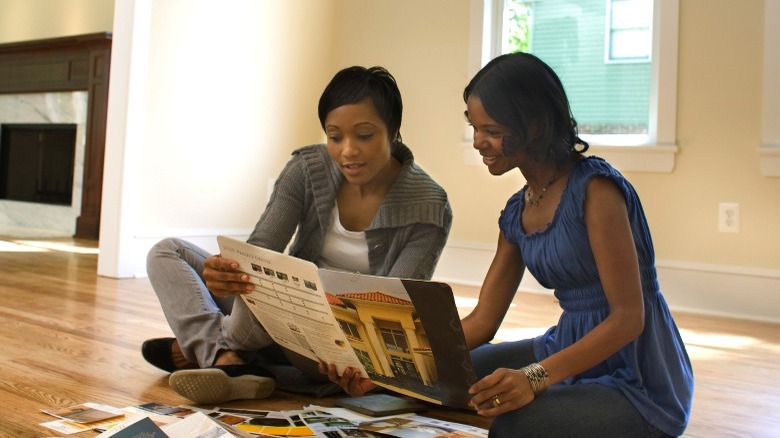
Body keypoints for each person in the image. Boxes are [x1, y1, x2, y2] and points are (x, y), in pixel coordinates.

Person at [142, 65, 452, 404]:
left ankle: (210, 350)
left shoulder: (429, 206)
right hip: (276, 308)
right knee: (166, 251)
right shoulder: (308, 167)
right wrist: (226, 274)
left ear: (393, 131)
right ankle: (225, 359)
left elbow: (396, 308)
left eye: (364, 135)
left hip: (339, 342)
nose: (347, 150)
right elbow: (259, 250)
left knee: (259, 311)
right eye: (335, 137)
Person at [459, 52, 694, 437]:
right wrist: (402, 361)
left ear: (534, 126)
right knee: (453, 377)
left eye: (492, 129)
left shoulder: (596, 190)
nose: (478, 142)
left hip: (638, 378)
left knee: (515, 424)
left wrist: (532, 377)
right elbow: (483, 320)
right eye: (474, 127)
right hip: (568, 345)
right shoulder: (519, 209)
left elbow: (628, 319)